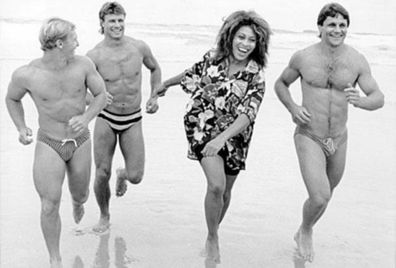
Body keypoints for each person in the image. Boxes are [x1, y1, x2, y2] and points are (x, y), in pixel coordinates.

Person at [154, 10, 271, 263]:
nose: (245, 44)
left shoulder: (256, 74)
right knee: (216, 185)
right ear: (230, 36)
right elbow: (191, 74)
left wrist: (223, 139)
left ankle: (213, 230)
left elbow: (248, 114)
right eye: (241, 37)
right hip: (201, 125)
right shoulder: (213, 59)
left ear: (258, 44)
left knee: (225, 192)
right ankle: (212, 237)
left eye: (251, 40)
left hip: (235, 136)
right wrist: (165, 84)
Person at [274, 2, 384, 262]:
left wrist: (361, 101)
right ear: (320, 27)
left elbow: (378, 98)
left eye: (342, 25)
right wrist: (293, 107)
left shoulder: (356, 60)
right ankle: (307, 231)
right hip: (309, 134)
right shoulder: (303, 57)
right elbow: (281, 84)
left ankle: (302, 229)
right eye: (332, 24)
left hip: (339, 138)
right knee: (320, 195)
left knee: (326, 196)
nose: (337, 29)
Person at [5, 18, 107, 267]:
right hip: (49, 142)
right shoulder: (27, 74)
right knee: (49, 204)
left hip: (80, 141)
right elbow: (11, 99)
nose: (78, 43)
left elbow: (101, 95)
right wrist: (21, 127)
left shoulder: (83, 65)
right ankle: (55, 258)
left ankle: (77, 201)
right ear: (60, 43)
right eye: (74, 38)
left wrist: (86, 117)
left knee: (81, 194)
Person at [86, 2, 162, 233]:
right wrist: (95, 100)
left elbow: (155, 69)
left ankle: (123, 175)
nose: (117, 25)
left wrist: (154, 96)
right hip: (106, 118)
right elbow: (79, 89)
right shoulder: (93, 55)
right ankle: (104, 216)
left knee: (136, 176)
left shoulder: (138, 47)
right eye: (112, 21)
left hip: (133, 118)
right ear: (102, 23)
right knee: (101, 171)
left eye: (120, 20)